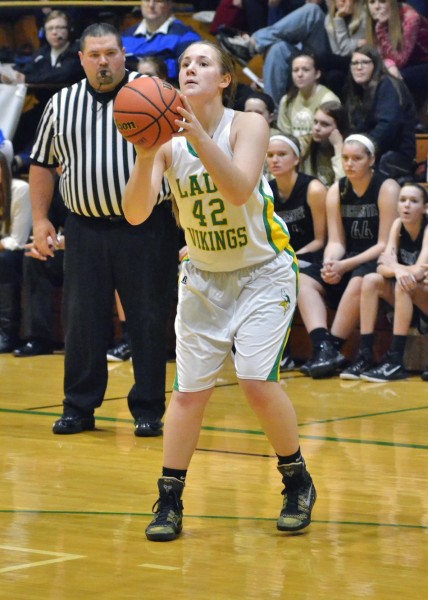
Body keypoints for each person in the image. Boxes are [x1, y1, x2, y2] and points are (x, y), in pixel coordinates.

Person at [122, 40, 317, 541]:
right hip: (205, 278)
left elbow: (237, 189)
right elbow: (136, 212)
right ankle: (169, 499)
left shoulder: (247, 123)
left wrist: (197, 137)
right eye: (184, 63)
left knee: (255, 380)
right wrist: (146, 157)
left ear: (225, 78)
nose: (190, 68)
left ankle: (296, 479)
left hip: (262, 272)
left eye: (202, 62)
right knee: (188, 395)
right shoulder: (164, 139)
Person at [29, 23, 179, 436]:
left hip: (148, 226)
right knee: (82, 320)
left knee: (148, 319)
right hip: (84, 229)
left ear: (123, 54)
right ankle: (79, 406)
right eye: (94, 55)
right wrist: (42, 219)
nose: (103, 61)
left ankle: (148, 409)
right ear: (81, 59)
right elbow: (41, 164)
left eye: (110, 53)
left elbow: (182, 156)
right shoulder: (62, 103)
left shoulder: (153, 94)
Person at [297, 134, 400, 378]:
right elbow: (336, 241)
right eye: (345, 158)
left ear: (371, 159)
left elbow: (385, 243)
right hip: (347, 259)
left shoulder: (387, 187)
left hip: (377, 261)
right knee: (302, 279)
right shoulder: (336, 189)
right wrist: (331, 262)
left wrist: (344, 266)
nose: (349, 164)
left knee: (358, 279)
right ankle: (322, 345)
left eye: (356, 158)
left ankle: (333, 346)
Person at [340, 181, 428, 381]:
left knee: (404, 285)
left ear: (425, 208)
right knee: (370, 279)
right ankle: (365, 353)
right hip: (408, 298)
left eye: (413, 201)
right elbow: (381, 266)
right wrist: (398, 270)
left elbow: (420, 272)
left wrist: (395, 267)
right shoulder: (397, 225)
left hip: (422, 298)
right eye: (402, 200)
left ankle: (395, 361)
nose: (406, 205)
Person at [267, 133, 327, 370]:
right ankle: (276, 353)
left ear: (296, 159)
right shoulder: (267, 190)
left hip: (312, 257)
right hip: (280, 257)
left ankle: (284, 352)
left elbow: (321, 239)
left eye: (282, 155)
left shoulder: (313, 188)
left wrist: (290, 257)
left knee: (281, 276)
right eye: (270, 155)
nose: (275, 160)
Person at [0, 10, 83, 175]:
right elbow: (25, 70)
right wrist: (13, 75)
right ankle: (11, 159)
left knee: (49, 125)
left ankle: (23, 160)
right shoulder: (42, 53)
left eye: (60, 28)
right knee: (23, 121)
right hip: (44, 105)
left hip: (71, 108)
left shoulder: (75, 52)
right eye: (51, 28)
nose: (55, 32)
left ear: (69, 30)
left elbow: (61, 75)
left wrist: (26, 77)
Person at [217, 2, 331, 105]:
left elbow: (341, 51)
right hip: (297, 53)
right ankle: (271, 111)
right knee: (278, 48)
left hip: (324, 54)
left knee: (312, 10)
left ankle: (252, 44)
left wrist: (337, 17)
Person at [345, 45, 417, 180]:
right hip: (374, 153)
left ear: (376, 65)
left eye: (365, 62)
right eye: (354, 63)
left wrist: (362, 148)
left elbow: (388, 126)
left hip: (395, 155)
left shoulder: (387, 84)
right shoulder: (357, 92)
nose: (359, 67)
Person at [13, 184, 68, 357]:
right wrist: (40, 244)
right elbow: (45, 224)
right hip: (63, 249)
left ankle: (83, 339)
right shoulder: (58, 187)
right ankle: (38, 338)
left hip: (92, 250)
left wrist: (60, 241)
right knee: (33, 257)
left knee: (78, 262)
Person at [0, 137, 32, 353]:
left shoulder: (20, 189)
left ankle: (8, 333)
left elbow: (17, 240)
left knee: (4, 260)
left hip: (20, 253)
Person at [121, 0, 201, 82]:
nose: (151, 5)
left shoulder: (187, 35)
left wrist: (150, 66)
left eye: (158, 1)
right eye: (147, 0)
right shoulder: (125, 36)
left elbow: (190, 69)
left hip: (169, 89)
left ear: (170, 4)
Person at [276, 52, 340, 155]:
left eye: (305, 70)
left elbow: (331, 138)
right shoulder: (286, 100)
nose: (299, 74)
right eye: (295, 70)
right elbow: (285, 136)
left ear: (317, 74)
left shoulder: (329, 100)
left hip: (321, 158)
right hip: (295, 158)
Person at [365, 0, 428, 100]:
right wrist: (389, 64)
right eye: (372, 2)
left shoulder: (411, 17)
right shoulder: (375, 22)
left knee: (392, 79)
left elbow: (400, 60)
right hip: (407, 64)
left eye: (382, 1)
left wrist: (380, 29)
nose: (376, 7)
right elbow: (377, 56)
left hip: (423, 63)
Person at [322, 0, 367, 98]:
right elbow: (338, 52)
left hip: (361, 62)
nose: (342, 2)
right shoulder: (329, 19)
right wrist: (355, 43)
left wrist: (338, 20)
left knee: (323, 59)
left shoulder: (364, 15)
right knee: (333, 76)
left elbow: (346, 51)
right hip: (344, 63)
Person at [301, 100, 348, 188]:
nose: (316, 128)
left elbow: (343, 186)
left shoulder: (349, 150)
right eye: (315, 122)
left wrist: (338, 147)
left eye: (324, 124)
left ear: (339, 129)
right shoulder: (305, 142)